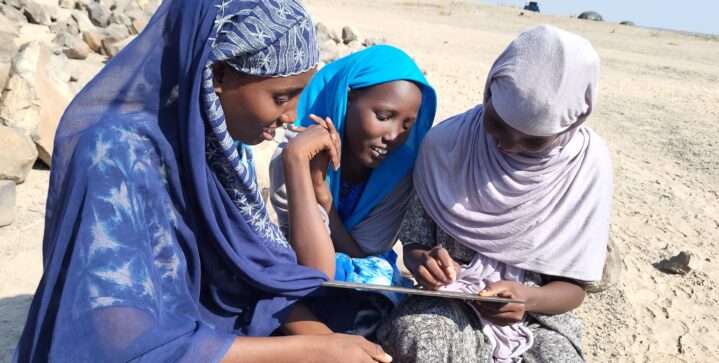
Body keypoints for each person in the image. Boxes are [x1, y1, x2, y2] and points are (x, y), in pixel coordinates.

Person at [14, 0, 391, 362]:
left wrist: (325, 340)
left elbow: (248, 277)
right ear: (218, 74)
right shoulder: (114, 154)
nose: (291, 117)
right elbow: (118, 341)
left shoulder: (218, 143)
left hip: (209, 335)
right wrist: (311, 352)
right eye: (281, 97)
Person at [378, 25, 613, 362]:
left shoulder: (587, 166)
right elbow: (415, 246)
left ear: (570, 125)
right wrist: (423, 263)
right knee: (421, 336)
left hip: (539, 316)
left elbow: (572, 289)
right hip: (447, 303)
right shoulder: (445, 145)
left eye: (534, 140)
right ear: (488, 92)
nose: (508, 144)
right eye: (498, 123)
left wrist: (528, 299)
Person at [268, 45, 436, 336]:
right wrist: (299, 166)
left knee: (380, 279)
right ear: (346, 99)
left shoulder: (397, 174)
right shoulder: (296, 152)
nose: (394, 136)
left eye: (407, 124)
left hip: (353, 275)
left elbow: (364, 257)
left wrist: (323, 196)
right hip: (303, 265)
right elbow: (311, 263)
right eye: (384, 116)